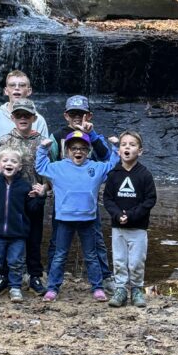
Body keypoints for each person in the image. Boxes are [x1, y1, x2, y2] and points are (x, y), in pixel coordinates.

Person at [0, 70, 49, 288]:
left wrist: (46, 186)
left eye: (22, 85)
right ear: (6, 90)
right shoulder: (1, 128)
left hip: (32, 192)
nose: (17, 89)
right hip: (4, 188)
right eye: (13, 85)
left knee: (33, 234)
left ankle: (33, 274)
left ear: (29, 90)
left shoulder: (41, 129)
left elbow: (48, 162)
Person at [36, 130, 118, 302]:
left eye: (82, 148)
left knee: (91, 255)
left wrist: (116, 146)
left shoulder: (95, 167)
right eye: (73, 148)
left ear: (88, 151)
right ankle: (52, 288)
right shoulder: (57, 168)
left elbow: (113, 164)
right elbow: (40, 166)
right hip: (64, 220)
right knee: (59, 255)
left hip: (88, 219)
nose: (78, 151)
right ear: (67, 151)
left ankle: (97, 287)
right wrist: (43, 149)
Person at [46, 95, 114, 292]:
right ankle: (52, 278)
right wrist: (48, 187)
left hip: (88, 201)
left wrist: (91, 135)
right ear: (66, 115)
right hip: (62, 200)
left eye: (82, 114)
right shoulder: (56, 135)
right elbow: (47, 163)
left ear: (89, 115)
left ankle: (104, 277)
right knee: (56, 240)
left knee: (96, 240)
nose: (78, 118)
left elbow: (106, 157)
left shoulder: (94, 136)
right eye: (74, 114)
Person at [0, 147, 42, 304]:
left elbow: (32, 209)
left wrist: (39, 196)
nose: (9, 163)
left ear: (19, 167)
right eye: (5, 161)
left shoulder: (24, 186)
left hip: (18, 235)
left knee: (16, 262)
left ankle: (15, 287)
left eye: (13, 161)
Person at [103, 131, 157, 308]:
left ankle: (136, 289)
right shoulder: (114, 174)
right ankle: (120, 289)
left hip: (138, 227)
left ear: (140, 151)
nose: (127, 147)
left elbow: (150, 199)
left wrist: (132, 215)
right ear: (118, 151)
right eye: (124, 144)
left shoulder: (144, 174)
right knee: (119, 260)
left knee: (136, 261)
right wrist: (118, 215)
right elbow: (108, 199)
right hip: (118, 227)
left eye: (132, 144)